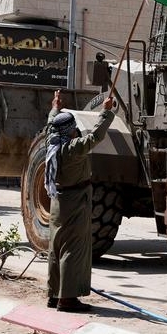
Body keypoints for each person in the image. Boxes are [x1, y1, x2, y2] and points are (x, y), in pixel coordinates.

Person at [44, 89, 115, 312]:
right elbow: (95, 137)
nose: (76, 129)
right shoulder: (72, 149)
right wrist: (106, 112)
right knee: (73, 249)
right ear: (70, 130)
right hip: (75, 201)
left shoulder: (52, 143)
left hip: (58, 201)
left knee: (57, 247)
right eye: (73, 127)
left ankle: (54, 295)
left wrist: (55, 106)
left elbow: (50, 124)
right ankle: (67, 299)